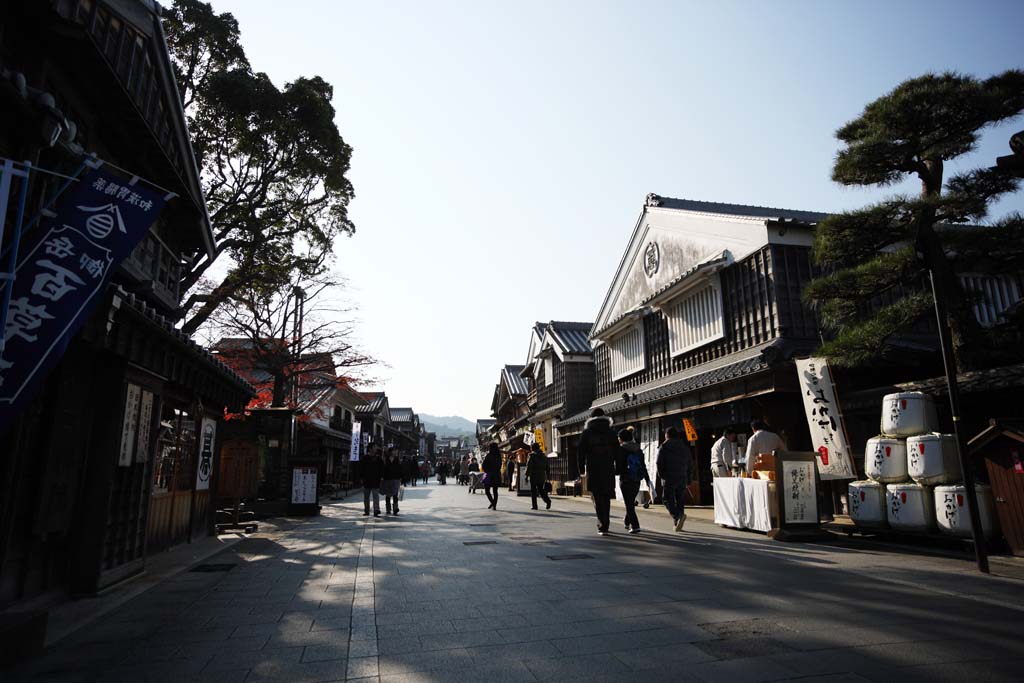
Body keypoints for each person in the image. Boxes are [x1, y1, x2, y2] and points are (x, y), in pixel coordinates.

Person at [577, 408, 618, 535]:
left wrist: (581, 469)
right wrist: (619, 467)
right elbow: (618, 451)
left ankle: (602, 524)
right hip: (608, 468)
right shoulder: (611, 432)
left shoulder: (587, 433)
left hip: (593, 468)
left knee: (597, 496)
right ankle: (606, 522)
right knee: (606, 496)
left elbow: (580, 453)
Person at [656, 427, 692, 532]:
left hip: (670, 476)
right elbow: (690, 463)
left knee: (666, 499)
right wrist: (689, 477)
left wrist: (662, 475)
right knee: (679, 499)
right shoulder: (684, 446)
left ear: (667, 435)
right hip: (682, 475)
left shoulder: (664, 446)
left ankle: (677, 516)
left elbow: (659, 463)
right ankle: (677, 524)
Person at [616, 428, 649, 534]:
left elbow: (618, 468)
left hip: (625, 479)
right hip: (636, 479)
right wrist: (647, 480)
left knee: (629, 504)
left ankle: (635, 525)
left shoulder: (621, 450)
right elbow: (643, 466)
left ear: (621, 439)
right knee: (630, 502)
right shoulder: (638, 450)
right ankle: (626, 522)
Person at [526, 442, 551, 510]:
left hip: (533, 475)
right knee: (541, 490)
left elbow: (529, 466)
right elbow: (547, 467)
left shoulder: (532, 456)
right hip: (542, 475)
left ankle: (535, 506)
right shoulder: (544, 456)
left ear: (533, 448)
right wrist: (548, 475)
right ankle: (547, 501)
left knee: (533, 491)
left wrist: (526, 475)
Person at [360, 447, 384, 517]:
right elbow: (361, 468)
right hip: (366, 480)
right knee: (366, 497)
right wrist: (361, 477)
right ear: (370, 449)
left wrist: (381, 477)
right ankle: (366, 510)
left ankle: (376, 510)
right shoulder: (364, 458)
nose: (376, 449)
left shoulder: (378, 458)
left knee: (375, 496)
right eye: (374, 447)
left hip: (376, 480)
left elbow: (382, 468)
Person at [382, 448, 403, 515]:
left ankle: (395, 508)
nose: (395, 452)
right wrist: (382, 477)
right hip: (387, 479)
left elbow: (400, 468)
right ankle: (388, 509)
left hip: (395, 478)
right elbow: (383, 469)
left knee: (395, 494)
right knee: (388, 494)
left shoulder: (397, 459)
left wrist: (401, 477)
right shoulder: (386, 459)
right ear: (390, 452)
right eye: (394, 451)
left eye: (395, 451)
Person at [482, 443, 503, 510]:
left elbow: (484, 465)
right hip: (496, 474)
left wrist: (487, 470)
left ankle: (492, 502)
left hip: (489, 475)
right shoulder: (498, 456)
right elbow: (500, 465)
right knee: (495, 491)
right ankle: (494, 505)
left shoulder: (489, 455)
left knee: (487, 491)